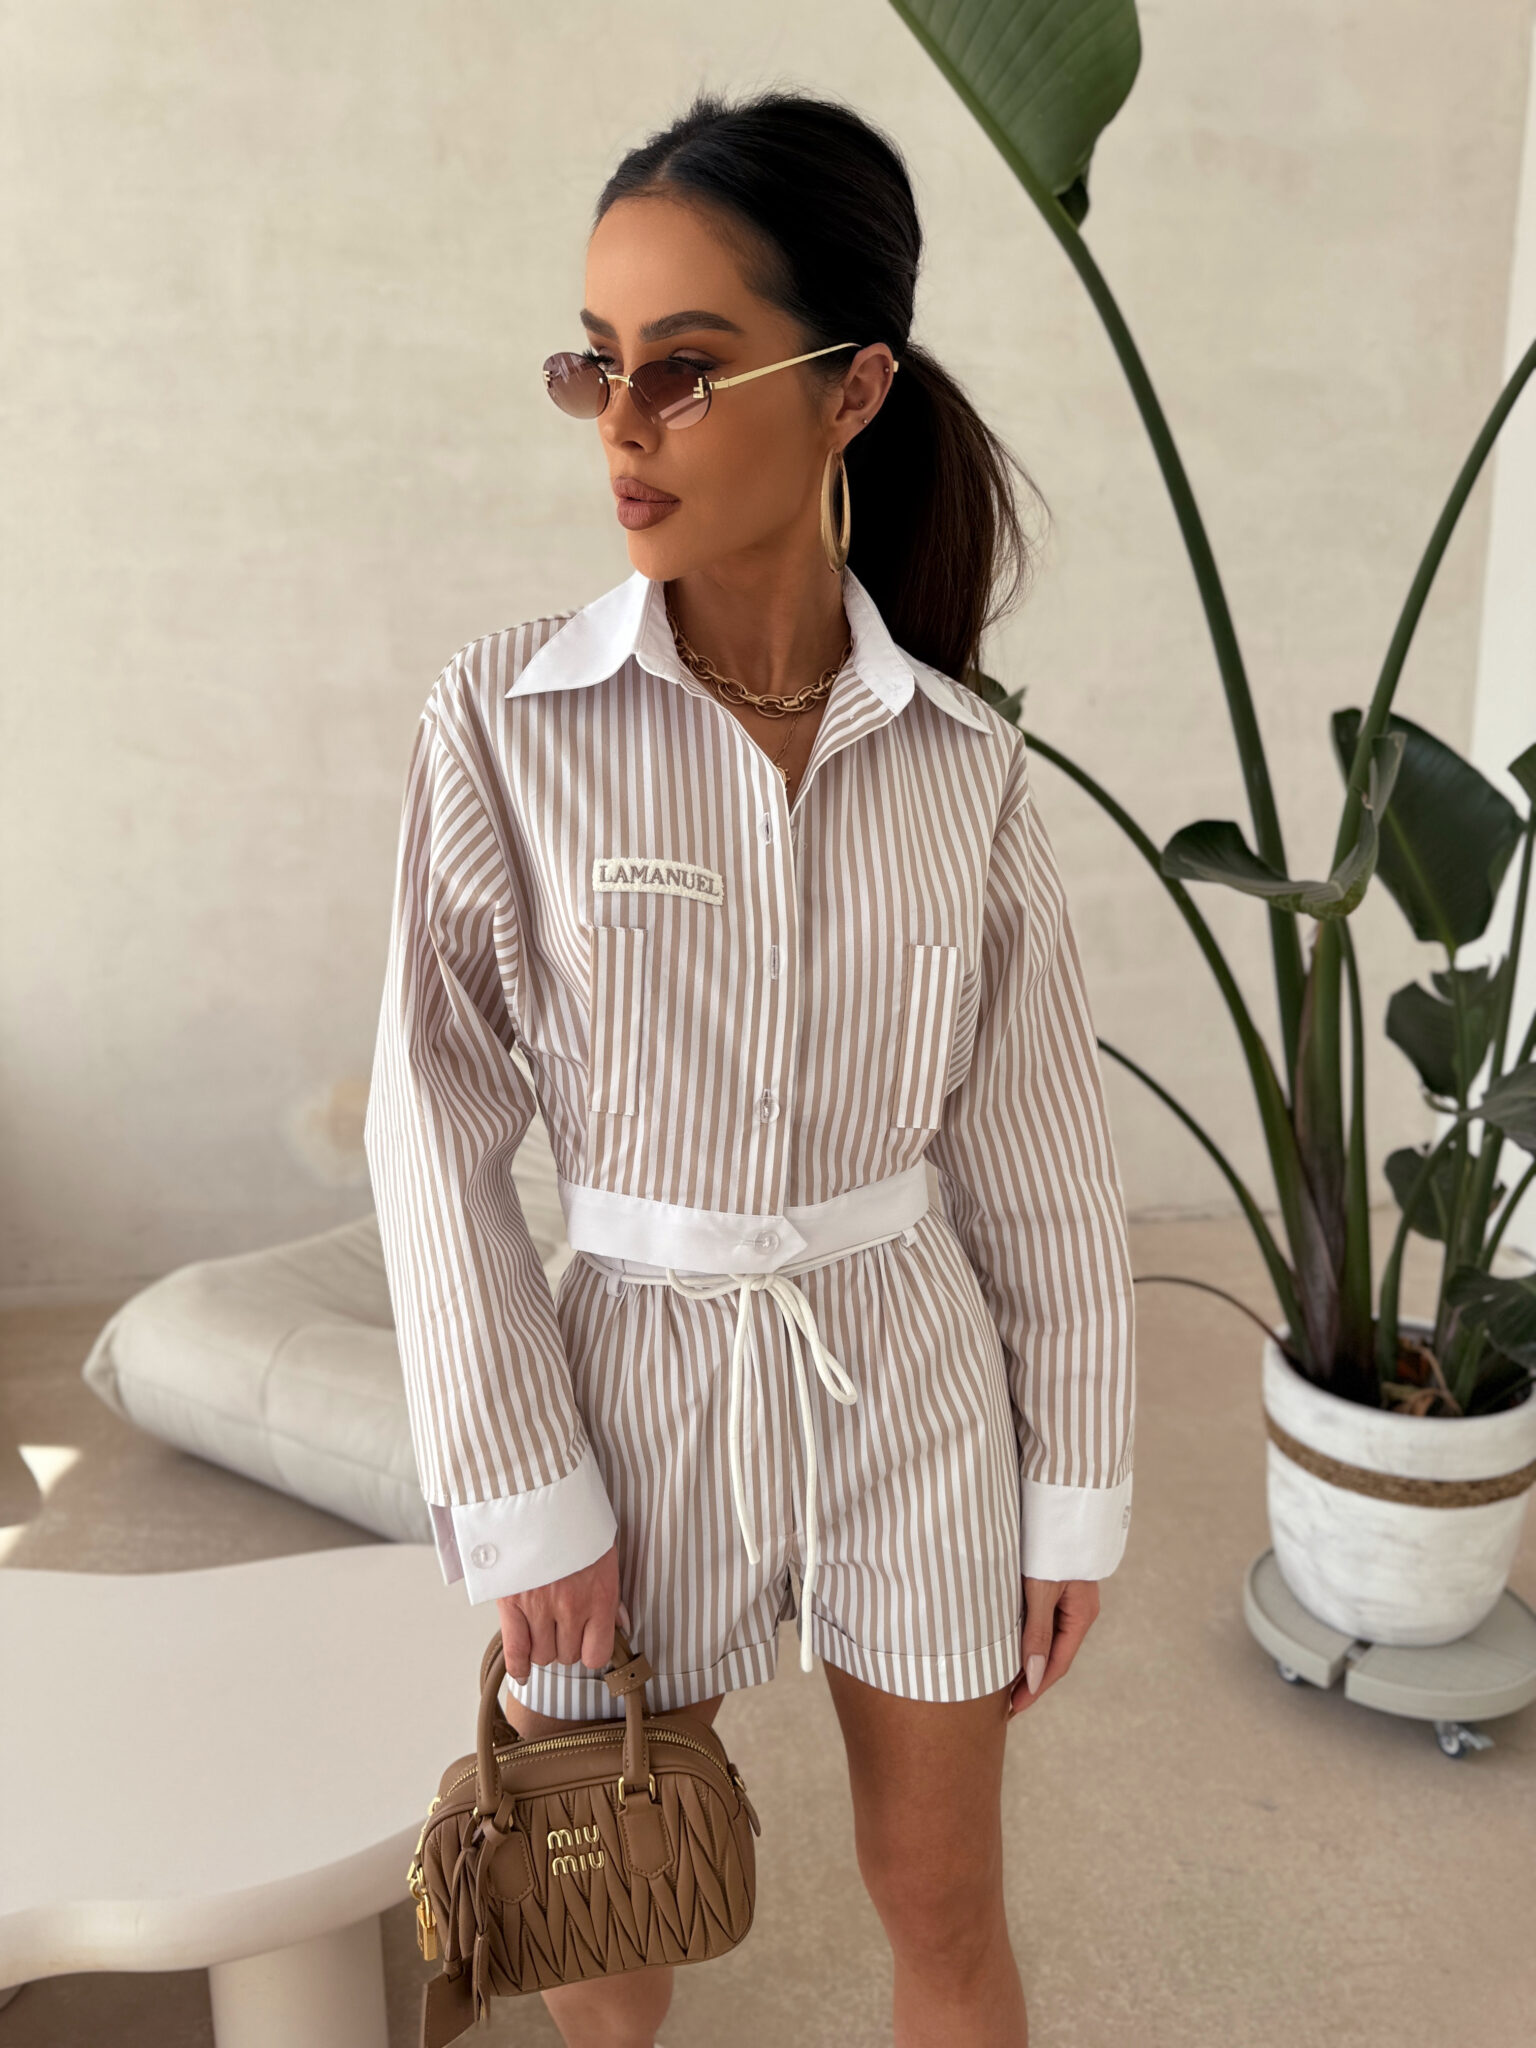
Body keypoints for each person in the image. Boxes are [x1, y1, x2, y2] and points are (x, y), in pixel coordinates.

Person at [364, 85, 1135, 2048]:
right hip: (628, 1384)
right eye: (596, 364)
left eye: (686, 371)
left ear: (853, 390)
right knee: (603, 1886)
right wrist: (526, 1492)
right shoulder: (505, 721)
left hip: (914, 1385)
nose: (622, 427)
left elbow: (1042, 1156)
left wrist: (1076, 1490)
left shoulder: (963, 764)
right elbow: (430, 1123)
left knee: (942, 1899)